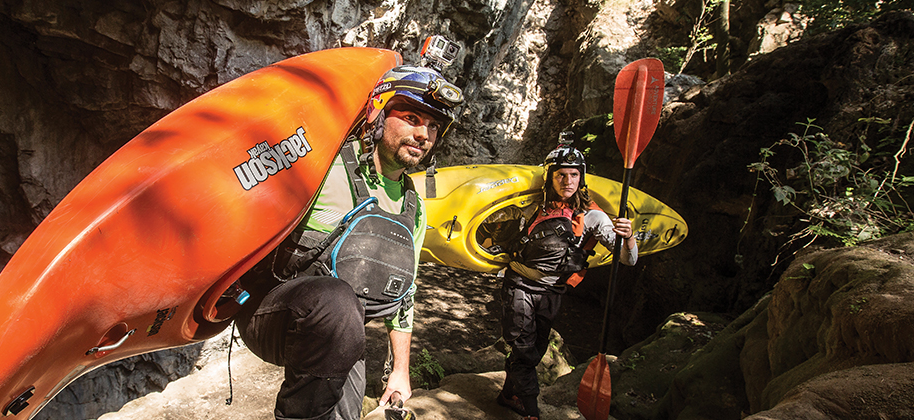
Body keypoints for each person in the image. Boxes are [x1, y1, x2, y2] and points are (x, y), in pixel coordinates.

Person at [234, 63, 464, 420]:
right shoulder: (324, 165)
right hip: (272, 312)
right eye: (412, 118)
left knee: (344, 409)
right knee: (337, 304)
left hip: (342, 331)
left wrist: (400, 371)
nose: (424, 134)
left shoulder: (414, 206)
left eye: (434, 126)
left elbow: (408, 293)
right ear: (378, 113)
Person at [493, 137, 639, 420]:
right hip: (519, 285)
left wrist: (629, 236)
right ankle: (532, 413)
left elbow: (629, 259)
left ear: (582, 178)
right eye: (561, 174)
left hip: (552, 292)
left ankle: (507, 395)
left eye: (574, 175)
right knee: (524, 351)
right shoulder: (530, 205)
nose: (568, 181)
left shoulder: (593, 217)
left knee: (534, 351)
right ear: (549, 177)